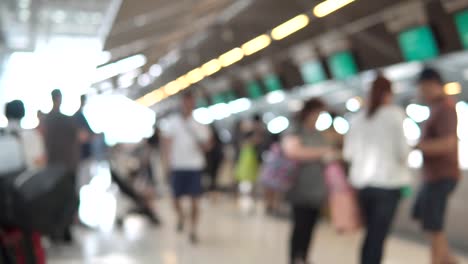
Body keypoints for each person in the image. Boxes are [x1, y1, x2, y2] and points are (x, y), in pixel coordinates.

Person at [343, 75, 411, 264]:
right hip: (388, 186)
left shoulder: (357, 119)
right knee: (377, 236)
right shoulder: (395, 115)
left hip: (362, 186)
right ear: (389, 94)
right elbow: (402, 152)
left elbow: (348, 154)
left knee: (369, 234)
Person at [413, 68, 460, 264]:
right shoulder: (436, 108)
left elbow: (448, 143)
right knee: (430, 224)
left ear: (433, 84)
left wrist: (419, 146)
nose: (421, 92)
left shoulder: (445, 108)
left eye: (423, 88)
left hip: (442, 175)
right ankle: (448, 260)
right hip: (432, 176)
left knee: (434, 226)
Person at [282, 98, 334, 264]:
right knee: (300, 225)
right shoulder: (296, 130)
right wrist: (321, 152)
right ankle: (294, 257)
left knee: (311, 226)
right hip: (299, 185)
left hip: (317, 187)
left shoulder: (318, 134)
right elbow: (293, 152)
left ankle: (304, 257)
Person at [162, 92, 211, 244]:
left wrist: (203, 145)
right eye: (186, 102)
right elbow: (167, 145)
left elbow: (208, 145)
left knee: (195, 200)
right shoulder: (172, 123)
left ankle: (193, 229)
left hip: (194, 166)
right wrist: (166, 164)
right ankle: (181, 217)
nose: (188, 105)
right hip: (178, 166)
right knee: (175, 198)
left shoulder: (200, 125)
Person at [1, 100, 46, 263]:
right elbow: (40, 165)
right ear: (24, 114)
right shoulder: (32, 136)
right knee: (30, 244)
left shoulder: (2, 136)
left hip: (4, 205)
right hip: (28, 200)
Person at [41, 89, 80, 243]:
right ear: (59, 99)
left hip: (53, 166)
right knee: (69, 199)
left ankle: (55, 231)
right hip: (67, 165)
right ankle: (65, 230)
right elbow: (77, 137)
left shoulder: (47, 119)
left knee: (55, 199)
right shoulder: (67, 120)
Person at [74, 95, 94, 190]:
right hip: (82, 154)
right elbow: (82, 135)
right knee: (82, 182)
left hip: (85, 154)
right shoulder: (78, 116)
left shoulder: (81, 115)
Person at [205, 125, 224, 196]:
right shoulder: (217, 140)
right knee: (212, 176)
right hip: (213, 159)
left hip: (214, 159)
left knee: (213, 176)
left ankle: (212, 189)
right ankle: (212, 189)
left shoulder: (214, 141)